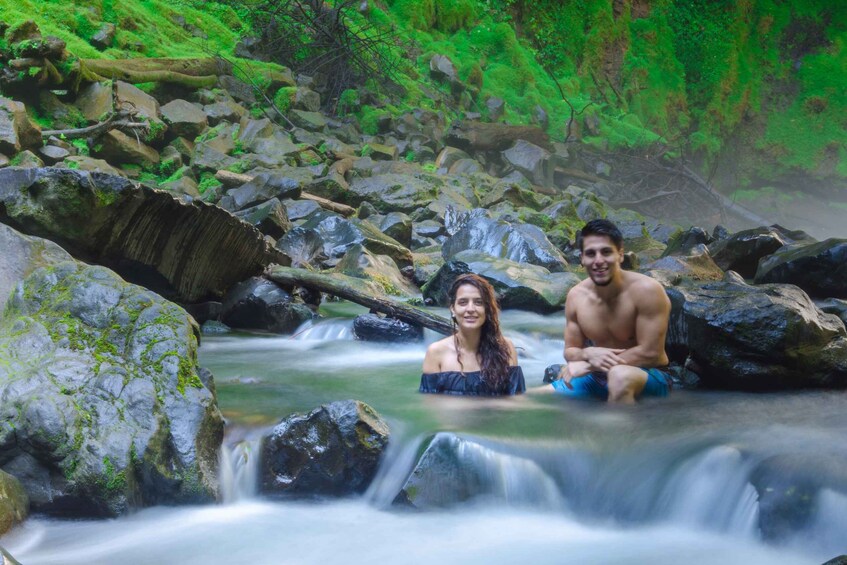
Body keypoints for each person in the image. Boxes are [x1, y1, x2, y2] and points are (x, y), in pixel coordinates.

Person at [550, 219, 672, 403]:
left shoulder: (647, 291)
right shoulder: (576, 296)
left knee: (619, 376)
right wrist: (586, 354)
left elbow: (652, 353)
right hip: (598, 377)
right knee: (529, 398)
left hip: (646, 375)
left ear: (620, 255)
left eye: (606, 252)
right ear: (582, 259)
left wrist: (589, 365)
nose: (598, 260)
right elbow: (570, 351)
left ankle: (617, 432)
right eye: (591, 254)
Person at [420, 273, 525, 396]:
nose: (470, 309)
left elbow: (516, 400)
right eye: (463, 302)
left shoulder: (505, 348)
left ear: (487, 309)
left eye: (478, 302)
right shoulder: (436, 352)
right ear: (453, 309)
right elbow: (432, 406)